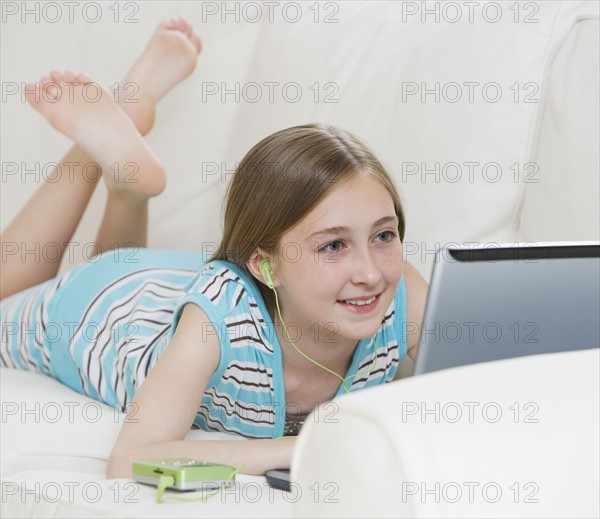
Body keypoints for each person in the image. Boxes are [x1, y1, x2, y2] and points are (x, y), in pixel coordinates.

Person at [0, 18, 429, 479]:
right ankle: (96, 146)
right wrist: (298, 446)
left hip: (169, 285)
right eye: (333, 246)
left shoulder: (401, 291)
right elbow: (130, 462)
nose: (370, 272)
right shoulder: (219, 318)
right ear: (265, 265)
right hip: (102, 312)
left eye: (383, 235)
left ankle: (129, 184)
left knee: (120, 267)